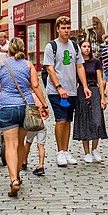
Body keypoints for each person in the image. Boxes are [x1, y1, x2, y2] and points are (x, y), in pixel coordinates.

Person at [0, 37, 49, 197]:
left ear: (8, 50)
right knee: (20, 144)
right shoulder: (28, 65)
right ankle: (17, 175)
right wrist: (44, 104)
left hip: (7, 108)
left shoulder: (0, 65)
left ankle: (13, 179)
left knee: (10, 144)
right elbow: (35, 86)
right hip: (26, 108)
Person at [44, 16, 92, 167]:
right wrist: (59, 87)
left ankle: (65, 150)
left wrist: (84, 86)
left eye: (68, 28)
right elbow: (49, 68)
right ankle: (59, 152)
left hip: (71, 90)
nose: (66, 30)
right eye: (63, 28)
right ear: (57, 29)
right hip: (56, 90)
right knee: (61, 120)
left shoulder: (74, 46)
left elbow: (79, 67)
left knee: (68, 120)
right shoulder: (51, 46)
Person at [73, 40, 108, 163]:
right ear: (80, 48)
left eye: (88, 46)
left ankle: (95, 148)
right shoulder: (77, 62)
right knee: (84, 121)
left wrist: (103, 97)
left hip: (94, 90)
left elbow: (100, 79)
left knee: (97, 120)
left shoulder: (96, 62)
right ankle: (86, 152)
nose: (87, 48)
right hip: (82, 91)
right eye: (84, 46)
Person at [22, 91, 48, 176]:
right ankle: (40, 165)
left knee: (28, 142)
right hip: (42, 121)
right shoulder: (40, 95)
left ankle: (24, 161)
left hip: (32, 122)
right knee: (41, 145)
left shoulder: (29, 96)